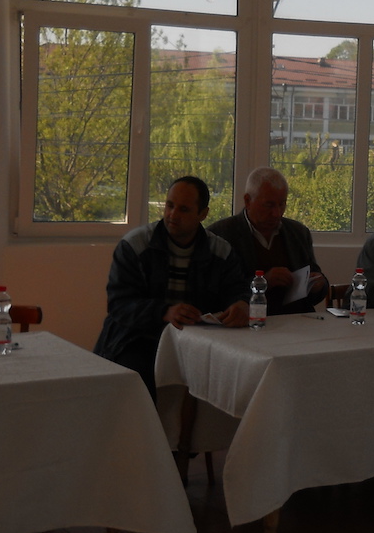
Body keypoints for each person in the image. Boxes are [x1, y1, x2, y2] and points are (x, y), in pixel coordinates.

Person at [93, 175, 250, 401]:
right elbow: (119, 304)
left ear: (203, 214)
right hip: (137, 339)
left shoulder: (221, 252)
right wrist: (164, 311)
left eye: (184, 209)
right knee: (137, 381)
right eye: (169, 205)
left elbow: (237, 288)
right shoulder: (135, 245)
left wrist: (241, 304)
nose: (173, 215)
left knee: (236, 375)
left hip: (198, 343)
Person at [207, 167, 327, 315]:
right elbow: (213, 294)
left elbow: (315, 282)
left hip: (296, 321)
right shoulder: (220, 234)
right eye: (269, 205)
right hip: (247, 322)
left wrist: (318, 285)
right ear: (247, 201)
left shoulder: (298, 233)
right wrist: (263, 283)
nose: (276, 213)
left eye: (282, 204)